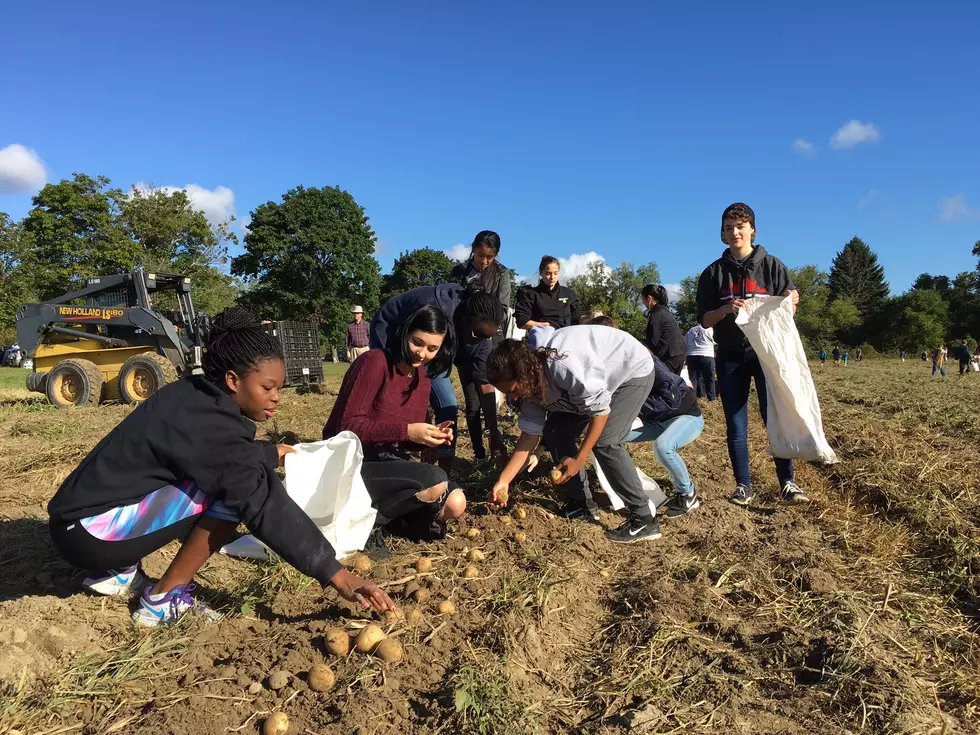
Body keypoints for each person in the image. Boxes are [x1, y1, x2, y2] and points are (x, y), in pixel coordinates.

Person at [47, 307, 394, 627]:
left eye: (279, 388)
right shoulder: (210, 424)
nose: (277, 397)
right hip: (93, 535)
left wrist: (269, 454)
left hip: (80, 523)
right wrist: (335, 573)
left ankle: (119, 570)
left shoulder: (193, 396)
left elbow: (212, 456)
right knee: (231, 494)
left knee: (232, 477)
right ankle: (162, 599)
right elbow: (258, 498)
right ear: (232, 380)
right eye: (267, 387)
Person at [486, 326, 661, 543]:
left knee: (605, 442)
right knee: (555, 431)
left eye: (512, 389)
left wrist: (580, 459)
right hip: (589, 388)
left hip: (630, 370)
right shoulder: (529, 385)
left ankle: (644, 518)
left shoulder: (563, 365)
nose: (511, 397)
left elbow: (599, 411)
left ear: (523, 373)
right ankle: (582, 503)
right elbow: (528, 437)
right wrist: (504, 481)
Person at [695, 202, 809, 507]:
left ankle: (787, 482)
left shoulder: (772, 266)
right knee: (736, 423)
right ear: (722, 233)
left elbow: (789, 307)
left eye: (740, 226)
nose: (735, 232)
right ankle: (743, 485)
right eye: (728, 227)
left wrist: (793, 300)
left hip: (766, 354)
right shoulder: (712, 274)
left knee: (773, 417)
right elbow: (704, 320)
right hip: (730, 355)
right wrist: (723, 309)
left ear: (752, 230)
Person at [324, 306, 468, 544]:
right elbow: (347, 427)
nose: (422, 354)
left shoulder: (422, 381)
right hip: (352, 462)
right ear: (405, 333)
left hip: (389, 463)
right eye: (417, 343)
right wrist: (408, 430)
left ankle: (388, 515)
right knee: (435, 480)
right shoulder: (374, 362)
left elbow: (406, 442)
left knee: (455, 502)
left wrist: (428, 439)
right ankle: (364, 522)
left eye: (432, 349)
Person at [370, 283, 504, 471]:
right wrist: (426, 429)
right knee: (395, 394)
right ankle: (384, 455)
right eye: (477, 334)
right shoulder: (437, 310)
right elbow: (416, 370)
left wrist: (495, 434)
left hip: (436, 349)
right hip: (395, 332)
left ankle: (444, 476)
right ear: (465, 319)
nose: (479, 340)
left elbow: (485, 386)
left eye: (485, 337)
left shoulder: (481, 339)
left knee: (448, 406)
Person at [630, 354, 704, 518]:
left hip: (687, 417)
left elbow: (671, 399)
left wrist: (636, 408)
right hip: (658, 421)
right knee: (613, 438)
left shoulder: (650, 367)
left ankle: (687, 494)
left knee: (663, 447)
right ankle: (630, 490)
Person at [450, 230, 511, 321]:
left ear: (496, 255)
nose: (484, 261)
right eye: (480, 255)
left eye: (489, 257)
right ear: (473, 249)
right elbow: (448, 302)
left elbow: (503, 311)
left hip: (489, 327)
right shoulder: (459, 271)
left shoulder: (501, 273)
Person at [514, 256, 581, 330]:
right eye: (548, 273)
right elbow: (522, 322)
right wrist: (546, 325)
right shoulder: (530, 294)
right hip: (541, 338)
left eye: (555, 273)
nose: (552, 277)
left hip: (566, 337)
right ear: (541, 273)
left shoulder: (568, 293)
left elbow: (576, 321)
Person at [641, 284, 686, 375]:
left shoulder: (656, 315)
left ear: (649, 298)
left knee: (663, 386)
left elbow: (653, 342)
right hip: (678, 354)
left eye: (643, 299)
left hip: (669, 356)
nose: (643, 303)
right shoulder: (664, 311)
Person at [685, 323, 716, 400]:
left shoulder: (690, 330)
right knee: (709, 378)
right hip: (706, 354)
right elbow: (716, 342)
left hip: (691, 355)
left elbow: (686, 342)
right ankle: (711, 398)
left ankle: (692, 398)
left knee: (693, 378)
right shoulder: (709, 330)